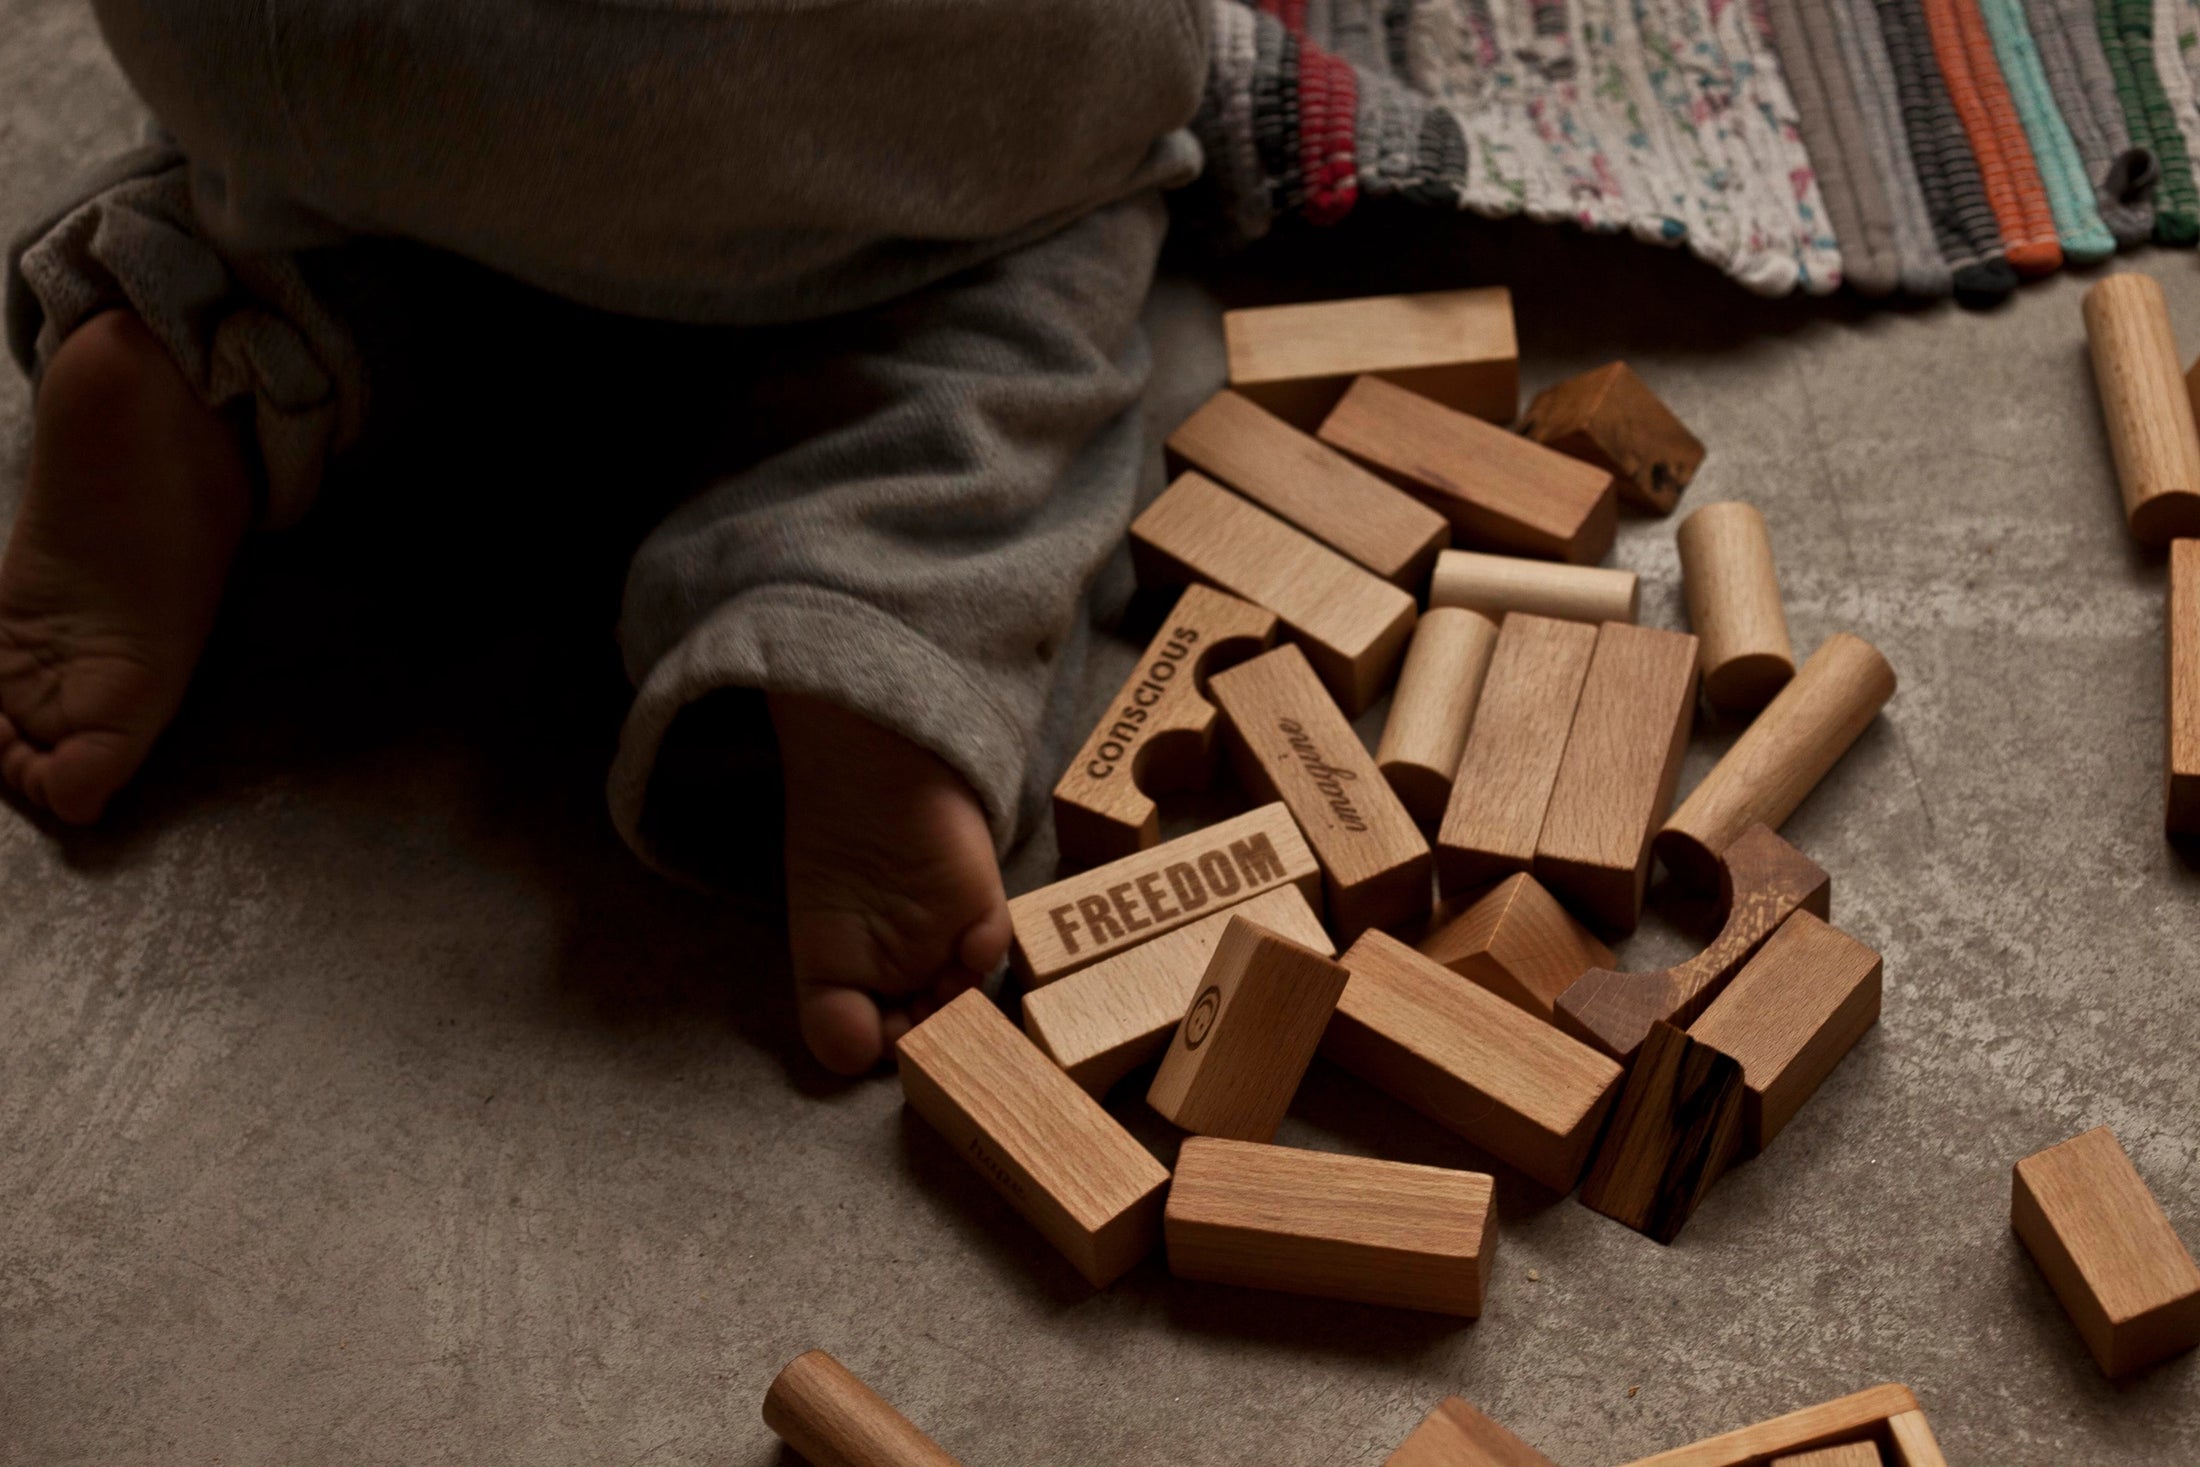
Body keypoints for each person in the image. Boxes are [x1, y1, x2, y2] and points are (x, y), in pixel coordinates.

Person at [0, 0, 1211, 1075]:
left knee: (401, 164)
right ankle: (876, 599)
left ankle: (215, 326)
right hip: (788, 73)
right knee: (1067, 193)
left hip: (276, 48)